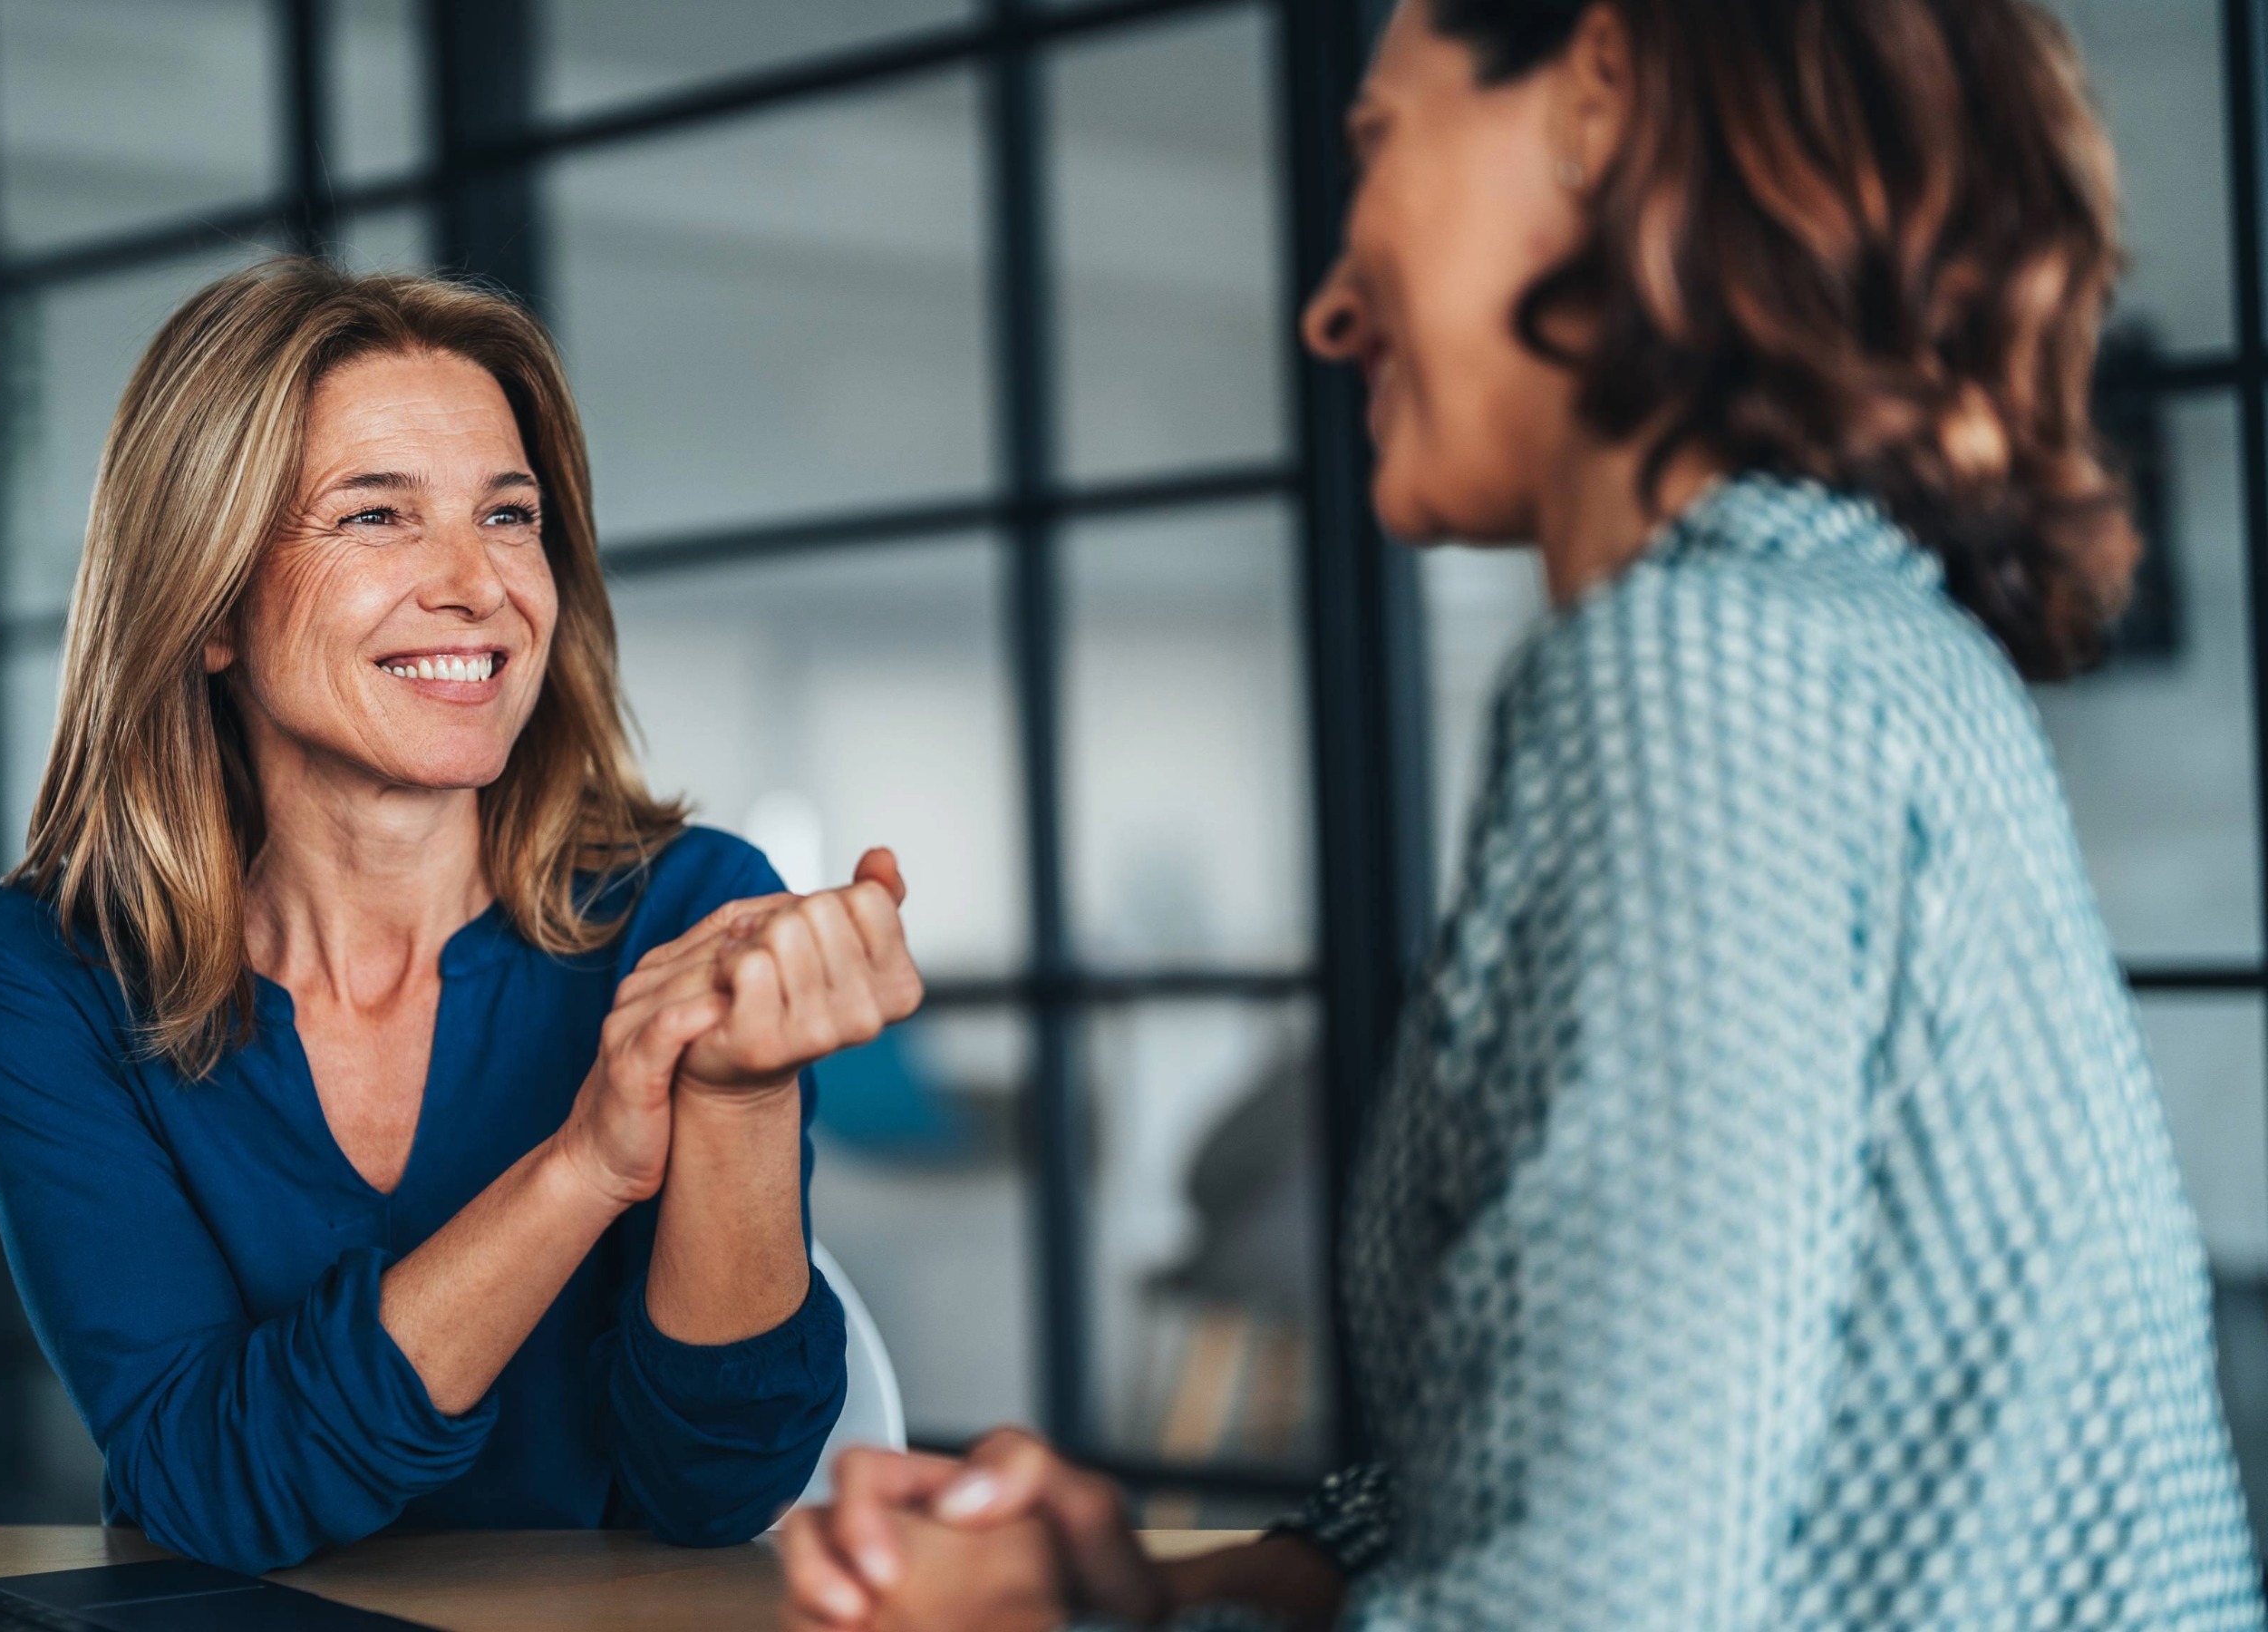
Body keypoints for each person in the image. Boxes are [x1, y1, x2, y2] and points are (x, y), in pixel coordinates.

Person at [781, 1, 2267, 1628]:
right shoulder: (1870, 644)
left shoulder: (1700, 678)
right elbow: (1605, 1458)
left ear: (1601, 100)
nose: (1331, 306)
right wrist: (1222, 1582)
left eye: (1377, 146)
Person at [0, 259, 920, 1574]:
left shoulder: (691, 913)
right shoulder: (47, 974)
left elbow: (715, 1490)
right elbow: (212, 1491)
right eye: (375, 517)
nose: (476, 584)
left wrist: (739, 1104)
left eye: (508, 516)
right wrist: (582, 1169)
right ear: (210, 600)